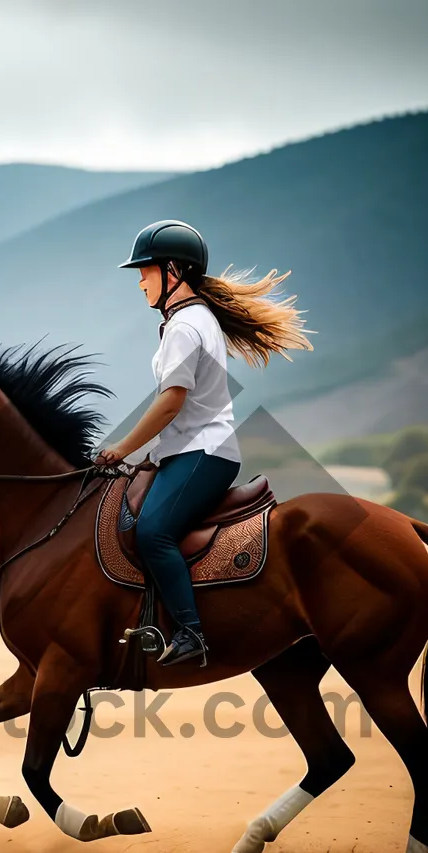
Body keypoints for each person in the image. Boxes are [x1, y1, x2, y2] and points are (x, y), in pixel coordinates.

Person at [95, 219, 312, 667]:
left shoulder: (185, 326)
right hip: (187, 451)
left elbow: (171, 402)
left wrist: (124, 447)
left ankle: (192, 633)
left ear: (173, 271)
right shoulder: (191, 320)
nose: (139, 282)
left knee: (153, 532)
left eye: (146, 270)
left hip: (203, 452)